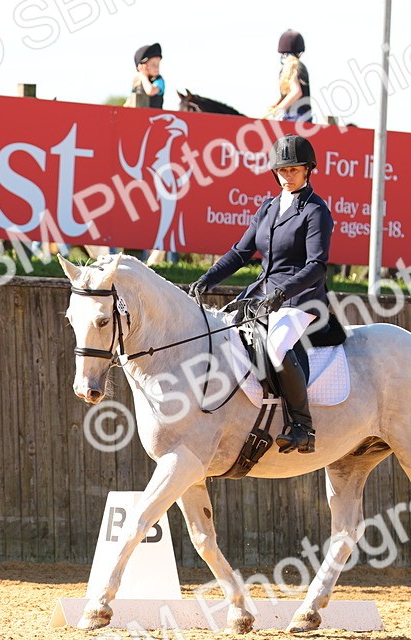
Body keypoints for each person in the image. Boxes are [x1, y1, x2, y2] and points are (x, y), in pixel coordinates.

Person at [187, 134, 334, 454]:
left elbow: (317, 266)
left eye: (294, 170)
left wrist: (283, 293)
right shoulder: (268, 208)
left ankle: (302, 426)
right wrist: (208, 278)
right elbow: (241, 252)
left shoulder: (316, 211)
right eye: (282, 171)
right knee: (223, 331)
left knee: (277, 344)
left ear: (309, 170)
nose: (287, 176)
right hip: (262, 294)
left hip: (300, 297)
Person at [265, 30, 312, 122]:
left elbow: (296, 92)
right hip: (305, 116)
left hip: (296, 116)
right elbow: (286, 94)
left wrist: (277, 110)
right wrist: (274, 106)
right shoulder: (299, 65)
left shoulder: (291, 65)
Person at [126, 43, 165, 109]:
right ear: (142, 66)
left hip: (153, 117)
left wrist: (143, 76)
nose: (157, 68)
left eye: (158, 64)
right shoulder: (137, 82)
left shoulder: (158, 80)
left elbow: (150, 91)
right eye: (153, 64)